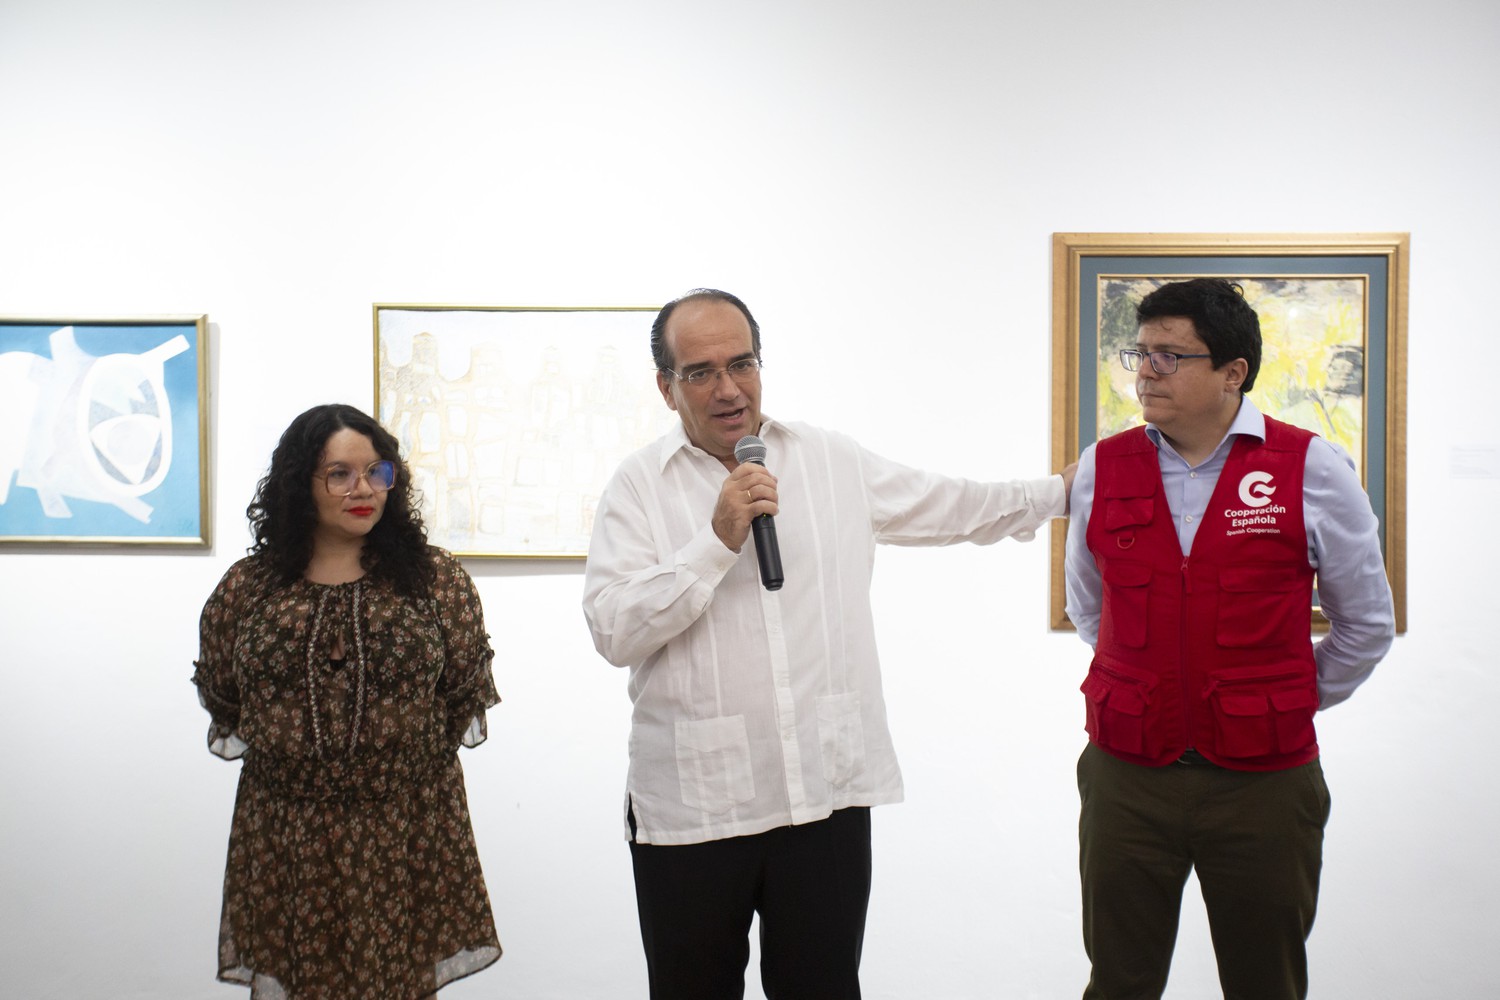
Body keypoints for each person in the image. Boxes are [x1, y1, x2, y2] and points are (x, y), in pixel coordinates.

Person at [582, 288, 1074, 999]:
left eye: (741, 363)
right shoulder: (636, 487)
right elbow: (614, 629)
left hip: (824, 798)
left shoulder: (827, 459)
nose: (728, 389)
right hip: (695, 811)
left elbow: (951, 505)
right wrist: (714, 541)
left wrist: (1060, 491)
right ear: (666, 387)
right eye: (701, 372)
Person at [1063, 278, 1395, 999]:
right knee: (1118, 980)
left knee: (1264, 982)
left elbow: (1367, 624)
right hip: (1127, 776)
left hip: (1265, 786)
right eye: (1140, 353)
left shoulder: (1311, 469)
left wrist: (1280, 701)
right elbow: (1092, 610)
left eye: (1169, 357)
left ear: (1232, 372)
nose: (1145, 372)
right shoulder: (1101, 468)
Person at [193, 403, 501, 999]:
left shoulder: (434, 581)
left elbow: (462, 692)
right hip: (287, 833)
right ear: (298, 485)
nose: (364, 489)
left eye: (376, 471)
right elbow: (225, 699)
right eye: (339, 473)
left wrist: (386, 766)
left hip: (405, 828)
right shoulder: (247, 588)